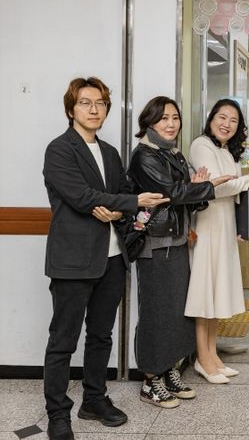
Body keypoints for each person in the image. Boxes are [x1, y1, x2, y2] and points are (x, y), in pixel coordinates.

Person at [42, 77, 168, 440]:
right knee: (63, 340)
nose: (94, 109)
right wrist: (129, 202)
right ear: (71, 109)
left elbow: (122, 192)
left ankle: (94, 399)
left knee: (101, 336)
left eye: (100, 103)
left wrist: (118, 208)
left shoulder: (110, 152)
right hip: (73, 261)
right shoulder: (59, 150)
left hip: (112, 258)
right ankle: (58, 413)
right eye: (85, 102)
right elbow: (81, 197)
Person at [127, 96, 234, 407]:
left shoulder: (172, 154)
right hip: (155, 243)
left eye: (175, 118)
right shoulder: (144, 156)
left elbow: (185, 198)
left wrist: (197, 190)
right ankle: (151, 379)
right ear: (149, 122)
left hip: (176, 241)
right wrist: (208, 187)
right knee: (156, 313)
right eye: (164, 118)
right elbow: (171, 193)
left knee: (176, 313)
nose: (171, 124)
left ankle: (169, 369)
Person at [185, 99, 249, 384]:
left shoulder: (227, 151)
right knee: (205, 292)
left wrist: (238, 185)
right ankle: (203, 358)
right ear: (211, 119)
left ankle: (212, 354)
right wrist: (248, 179)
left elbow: (228, 189)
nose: (227, 124)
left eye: (233, 121)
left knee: (218, 290)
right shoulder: (201, 145)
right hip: (207, 226)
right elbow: (215, 188)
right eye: (222, 117)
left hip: (224, 225)